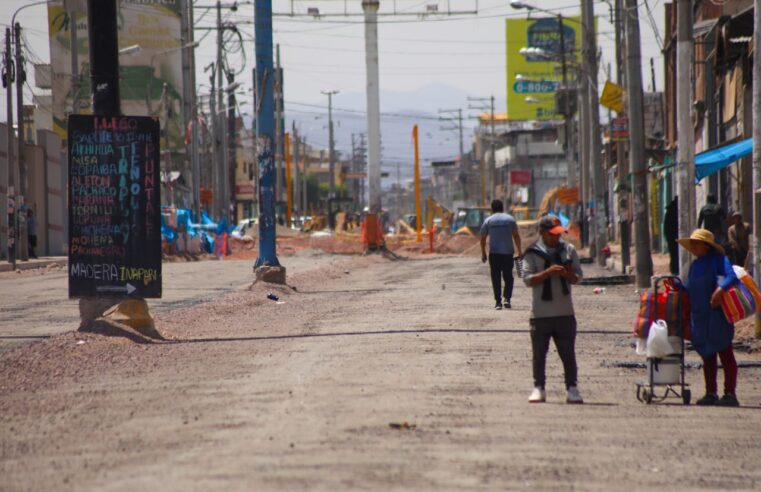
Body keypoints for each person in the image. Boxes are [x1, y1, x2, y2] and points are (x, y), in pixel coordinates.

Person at [522, 215, 584, 404]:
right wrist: (548, 273)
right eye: (552, 234)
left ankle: (572, 388)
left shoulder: (569, 250)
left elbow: (578, 278)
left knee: (568, 354)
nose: (556, 238)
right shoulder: (532, 252)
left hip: (565, 313)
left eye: (558, 234)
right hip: (541, 314)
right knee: (539, 355)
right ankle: (539, 388)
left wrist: (566, 273)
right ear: (542, 233)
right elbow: (527, 279)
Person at [677, 229, 740, 406]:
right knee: (707, 355)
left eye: (697, 243)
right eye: (693, 244)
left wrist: (720, 290)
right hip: (699, 317)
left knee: (726, 353)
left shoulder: (719, 260)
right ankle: (710, 393)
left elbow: (732, 277)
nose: (694, 247)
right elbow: (689, 289)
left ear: (706, 245)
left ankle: (730, 394)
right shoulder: (695, 265)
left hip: (717, 315)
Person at [480, 199, 522, 310]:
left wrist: (483, 252)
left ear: (492, 209)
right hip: (508, 253)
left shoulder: (488, 220)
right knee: (508, 277)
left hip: (494, 254)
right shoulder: (510, 219)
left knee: (496, 277)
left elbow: (483, 238)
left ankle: (498, 302)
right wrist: (520, 251)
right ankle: (507, 299)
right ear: (502, 208)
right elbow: (516, 236)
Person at [664, 196, 679, 275]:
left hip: (671, 236)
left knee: (673, 253)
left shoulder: (670, 209)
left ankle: (674, 269)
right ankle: (675, 269)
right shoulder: (675, 210)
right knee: (675, 253)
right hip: (674, 235)